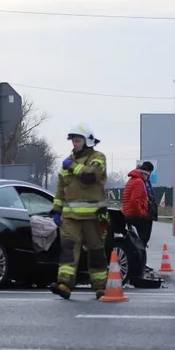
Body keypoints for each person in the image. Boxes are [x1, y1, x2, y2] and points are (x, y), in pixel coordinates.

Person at [49, 124, 109, 300]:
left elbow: (90, 176)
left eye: (77, 140)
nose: (74, 144)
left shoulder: (98, 158)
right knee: (68, 249)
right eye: (73, 141)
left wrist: (73, 166)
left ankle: (100, 287)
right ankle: (64, 284)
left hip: (93, 216)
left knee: (96, 250)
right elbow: (61, 188)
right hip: (70, 217)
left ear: (87, 141)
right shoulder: (67, 162)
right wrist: (56, 210)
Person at [123, 161, 155, 246]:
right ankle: (141, 251)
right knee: (142, 239)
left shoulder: (132, 180)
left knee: (135, 239)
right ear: (145, 174)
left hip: (129, 213)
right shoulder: (138, 182)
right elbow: (134, 201)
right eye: (148, 176)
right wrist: (142, 213)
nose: (148, 178)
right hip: (134, 214)